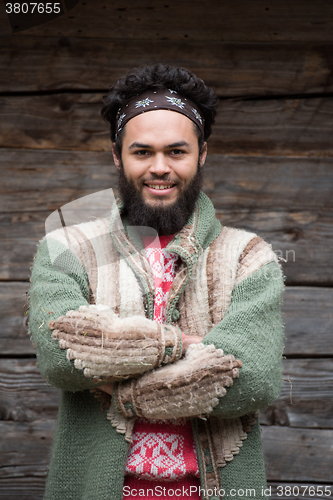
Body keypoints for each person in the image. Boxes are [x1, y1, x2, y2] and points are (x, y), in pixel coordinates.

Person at [28, 64, 285, 500]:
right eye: (142, 152)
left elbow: (252, 378)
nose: (160, 168)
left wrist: (118, 385)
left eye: (177, 152)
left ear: (202, 154)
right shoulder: (66, 248)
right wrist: (182, 346)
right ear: (117, 155)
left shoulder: (248, 255)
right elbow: (60, 356)